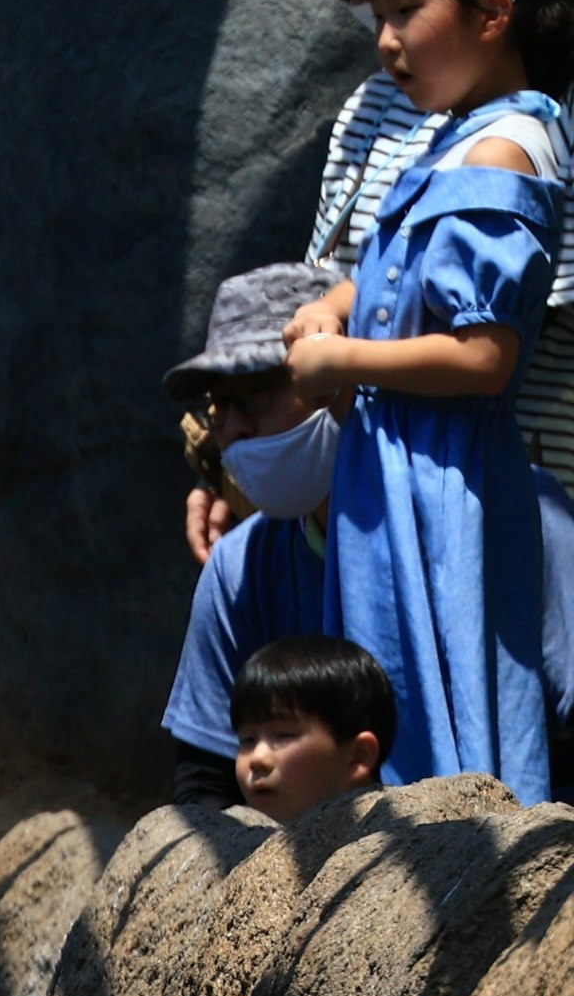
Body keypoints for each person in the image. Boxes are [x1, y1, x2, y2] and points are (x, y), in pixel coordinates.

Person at [284, 0, 569, 800]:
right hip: (394, 472)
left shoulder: (507, 149)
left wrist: (345, 362)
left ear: (493, 14)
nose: (386, 39)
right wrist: (334, 306)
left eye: (407, 9)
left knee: (448, 712)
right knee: (393, 686)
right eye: (379, 15)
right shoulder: (456, 138)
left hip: (444, 483)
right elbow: (398, 276)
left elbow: (486, 357)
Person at [162, 263, 574, 802]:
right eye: (219, 408)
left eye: (257, 393)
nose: (233, 429)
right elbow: (206, 784)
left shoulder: (514, 511)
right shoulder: (240, 568)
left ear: (341, 378)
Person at [291, 0, 574, 486]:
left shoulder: (527, 126)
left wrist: (353, 359)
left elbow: (490, 341)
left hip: (510, 473)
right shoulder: (374, 106)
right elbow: (342, 283)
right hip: (378, 471)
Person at [231, 635, 394, 823]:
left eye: (284, 735)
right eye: (247, 740)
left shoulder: (402, 844)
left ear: (359, 756)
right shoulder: (232, 845)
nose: (258, 758)